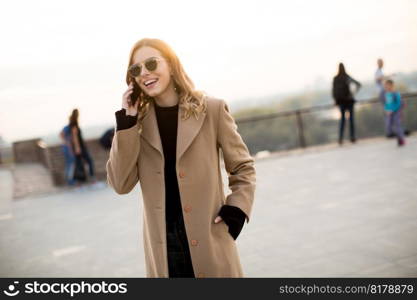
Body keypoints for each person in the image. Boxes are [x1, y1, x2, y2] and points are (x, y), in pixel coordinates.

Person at [106, 38, 256, 278]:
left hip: (210, 241)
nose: (144, 73)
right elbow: (120, 184)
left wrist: (237, 210)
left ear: (172, 65)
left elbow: (243, 167)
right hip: (164, 254)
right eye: (136, 69)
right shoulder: (136, 125)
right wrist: (127, 121)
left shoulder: (213, 110)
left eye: (152, 64)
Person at [332, 63, 361, 145]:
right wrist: (353, 93)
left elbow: (333, 91)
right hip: (349, 101)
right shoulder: (347, 77)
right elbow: (358, 84)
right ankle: (352, 137)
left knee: (342, 121)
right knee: (351, 120)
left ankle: (340, 139)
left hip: (341, 102)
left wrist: (335, 100)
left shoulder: (335, 78)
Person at [68, 109, 96, 184]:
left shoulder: (72, 123)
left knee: (79, 164)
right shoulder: (74, 124)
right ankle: (92, 180)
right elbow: (75, 137)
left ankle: (79, 183)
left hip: (79, 147)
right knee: (88, 162)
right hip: (79, 148)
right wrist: (77, 147)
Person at [383, 80, 406, 146]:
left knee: (397, 125)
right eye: (386, 86)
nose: (386, 87)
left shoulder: (396, 93)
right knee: (388, 125)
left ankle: (401, 139)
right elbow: (386, 103)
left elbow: (399, 103)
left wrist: (392, 110)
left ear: (392, 85)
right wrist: (386, 110)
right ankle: (395, 135)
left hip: (396, 112)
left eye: (388, 85)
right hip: (389, 113)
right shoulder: (386, 94)